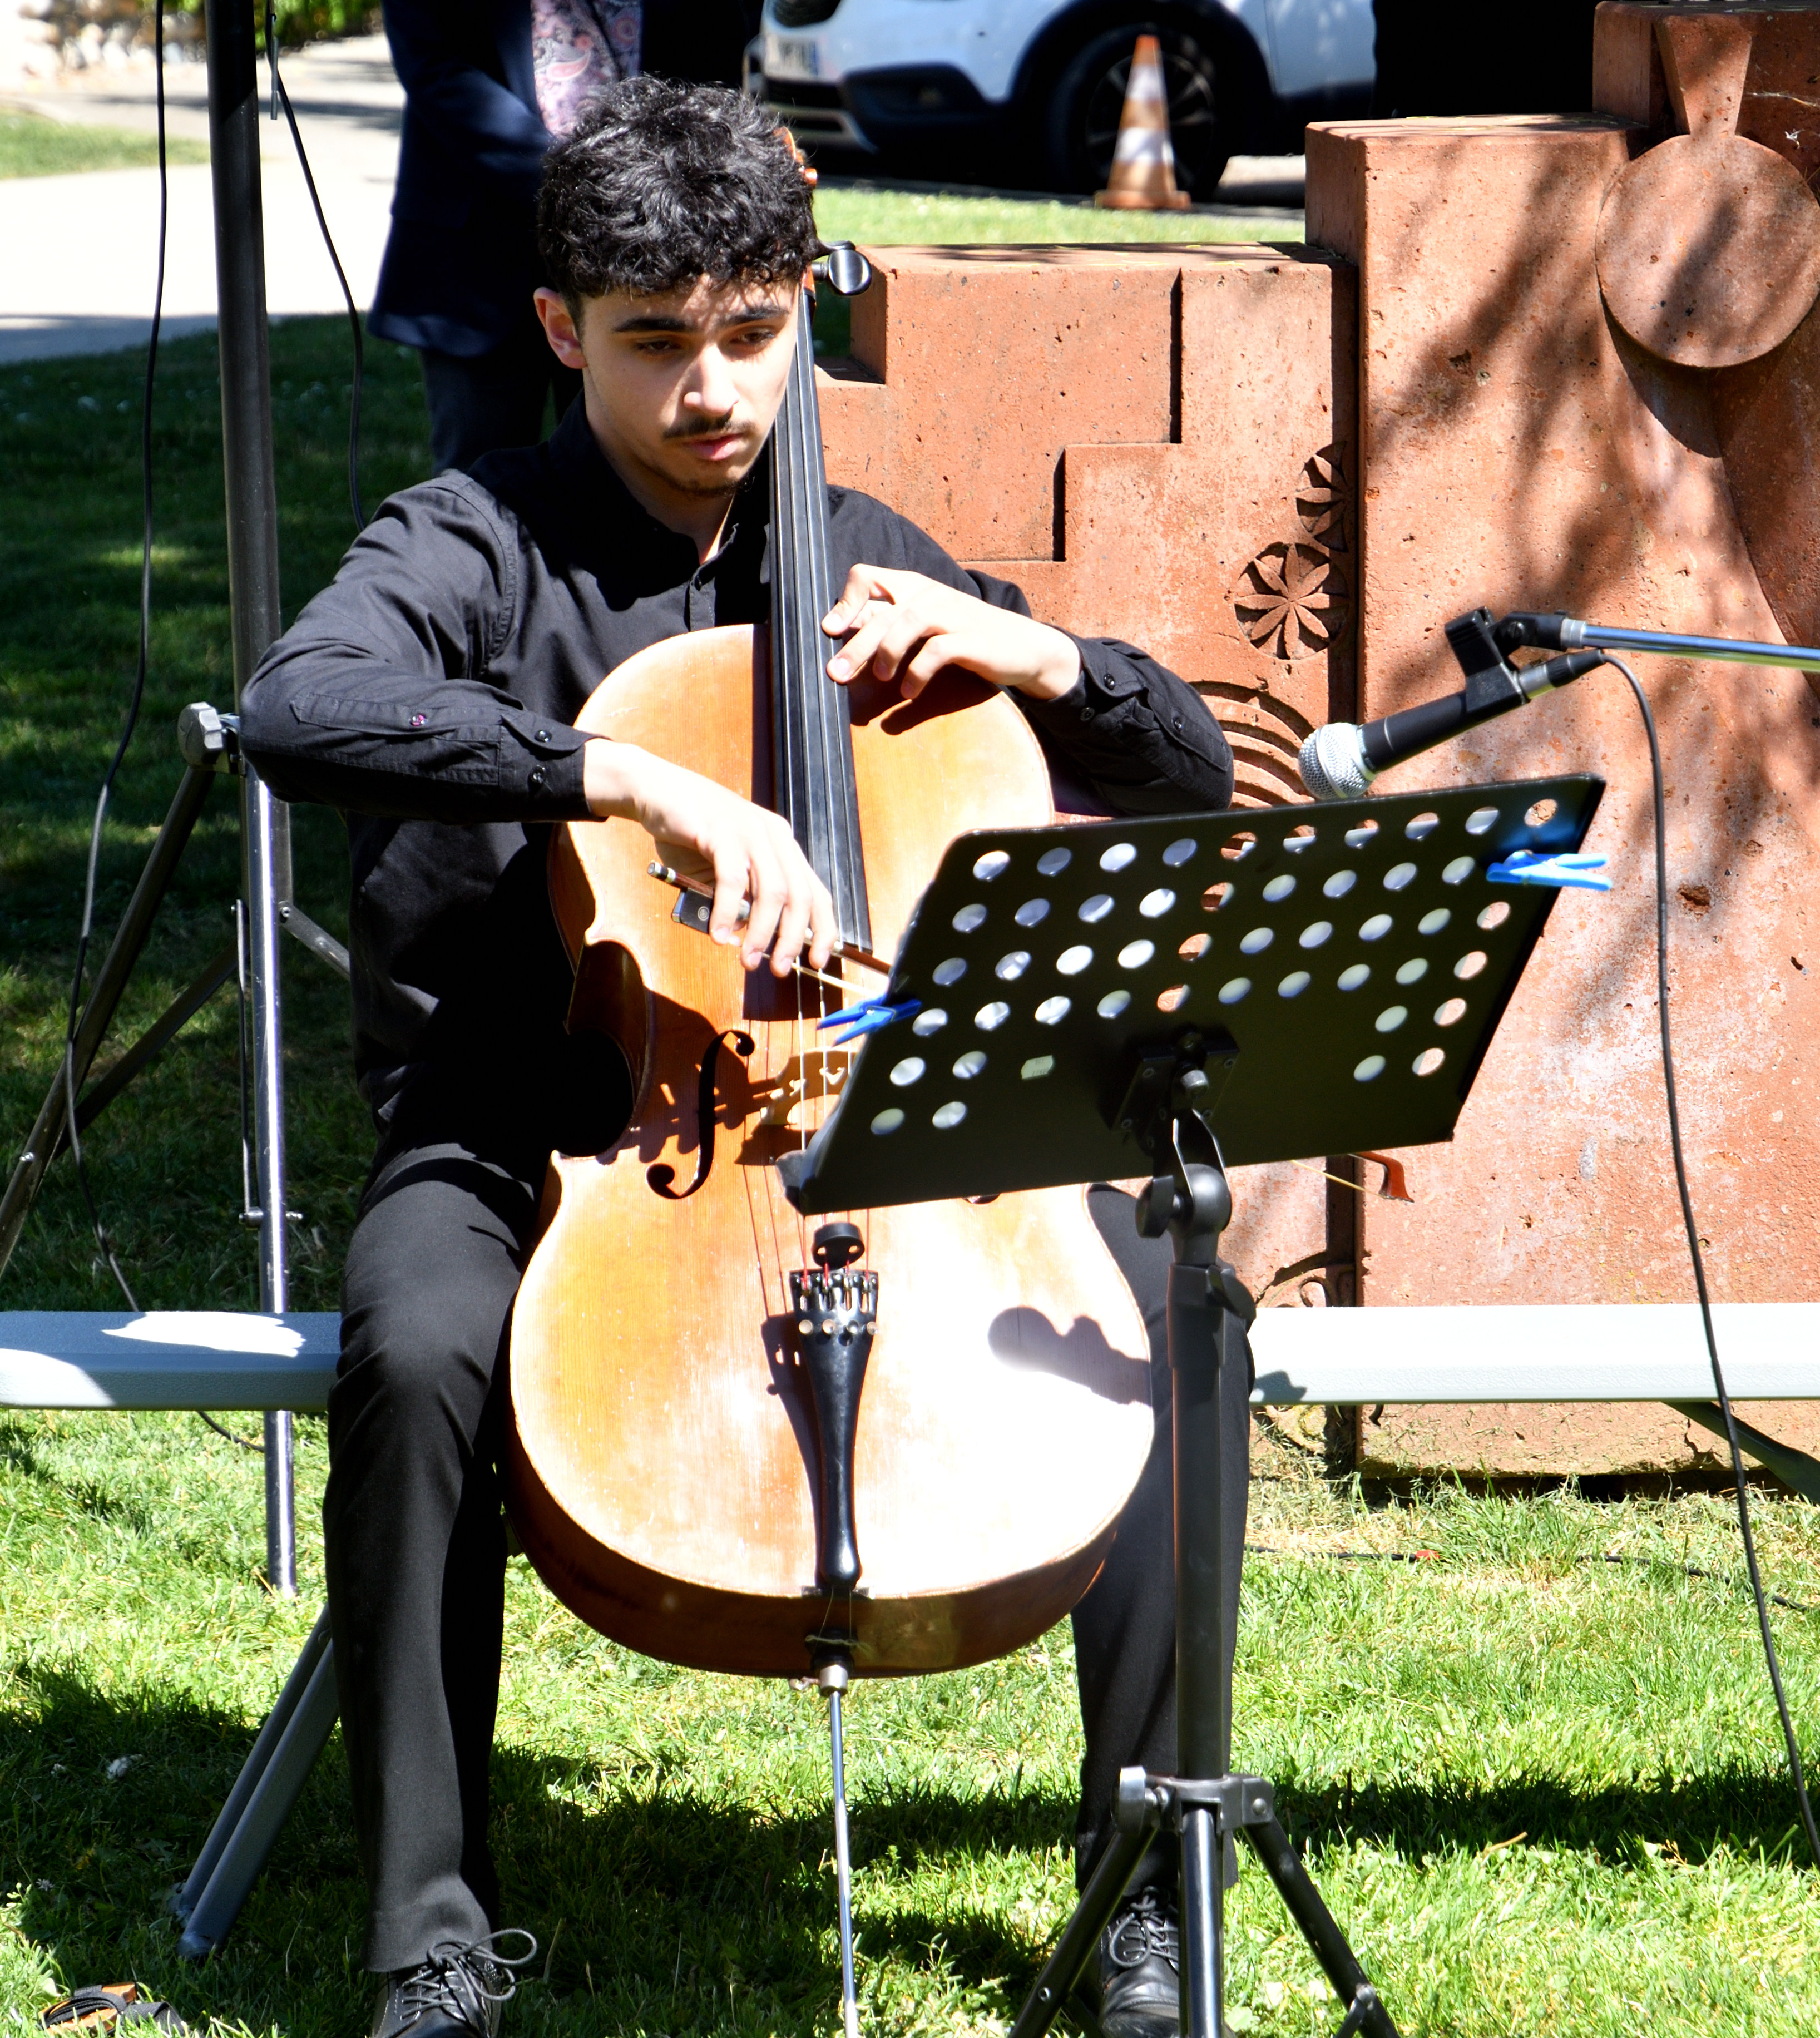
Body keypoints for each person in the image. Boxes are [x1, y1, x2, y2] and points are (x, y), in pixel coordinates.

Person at [244, 77, 1237, 2038]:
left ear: (800, 312)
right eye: (654, 346)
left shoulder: (869, 556)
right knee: (418, 1339)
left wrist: (1044, 663)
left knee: (1160, 1299)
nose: (713, 391)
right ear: (556, 333)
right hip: (538, 1133)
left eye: (754, 336)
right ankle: (431, 1944)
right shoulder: (475, 541)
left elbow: (1178, 773)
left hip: (867, 1131)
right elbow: (299, 700)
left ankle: (1142, 1905)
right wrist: (620, 778)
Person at [370, 1, 763, 474]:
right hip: (480, 258)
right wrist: (583, 188)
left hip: (646, 253)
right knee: (478, 480)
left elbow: (713, 56)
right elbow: (436, 63)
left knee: (630, 477)